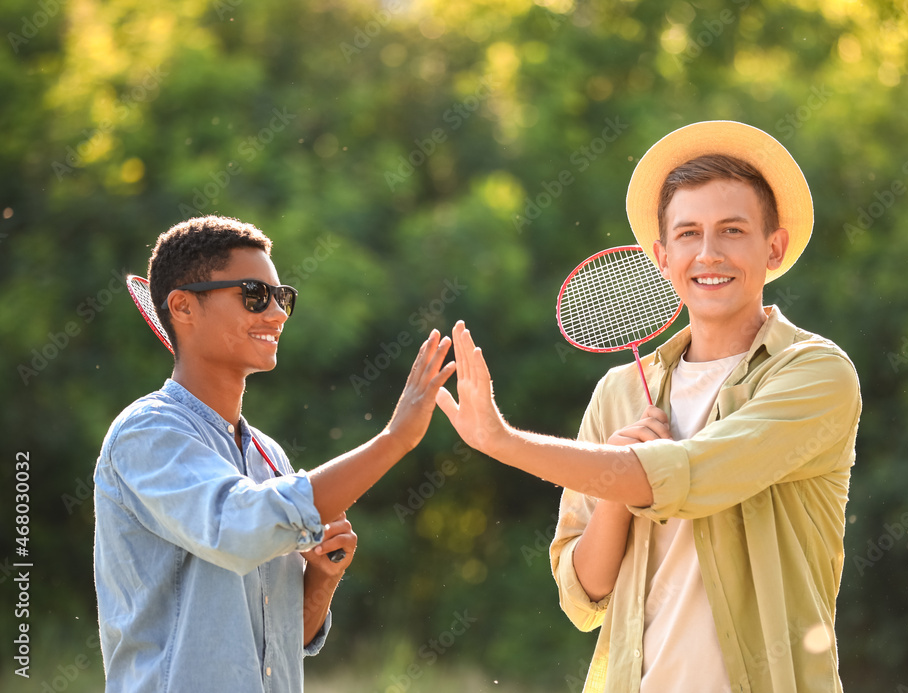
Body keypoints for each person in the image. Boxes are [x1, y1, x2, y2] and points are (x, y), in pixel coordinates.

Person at [436, 121, 862, 692]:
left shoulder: (815, 373)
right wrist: (615, 495)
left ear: (774, 247)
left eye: (732, 230)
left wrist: (504, 442)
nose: (708, 254)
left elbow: (691, 475)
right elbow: (582, 595)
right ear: (662, 256)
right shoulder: (619, 393)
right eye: (688, 234)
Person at [94, 215, 455, 693]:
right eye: (254, 295)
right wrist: (394, 440)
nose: (278, 313)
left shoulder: (270, 458)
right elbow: (237, 528)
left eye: (282, 297)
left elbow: (280, 645)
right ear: (182, 307)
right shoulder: (147, 434)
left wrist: (321, 579)